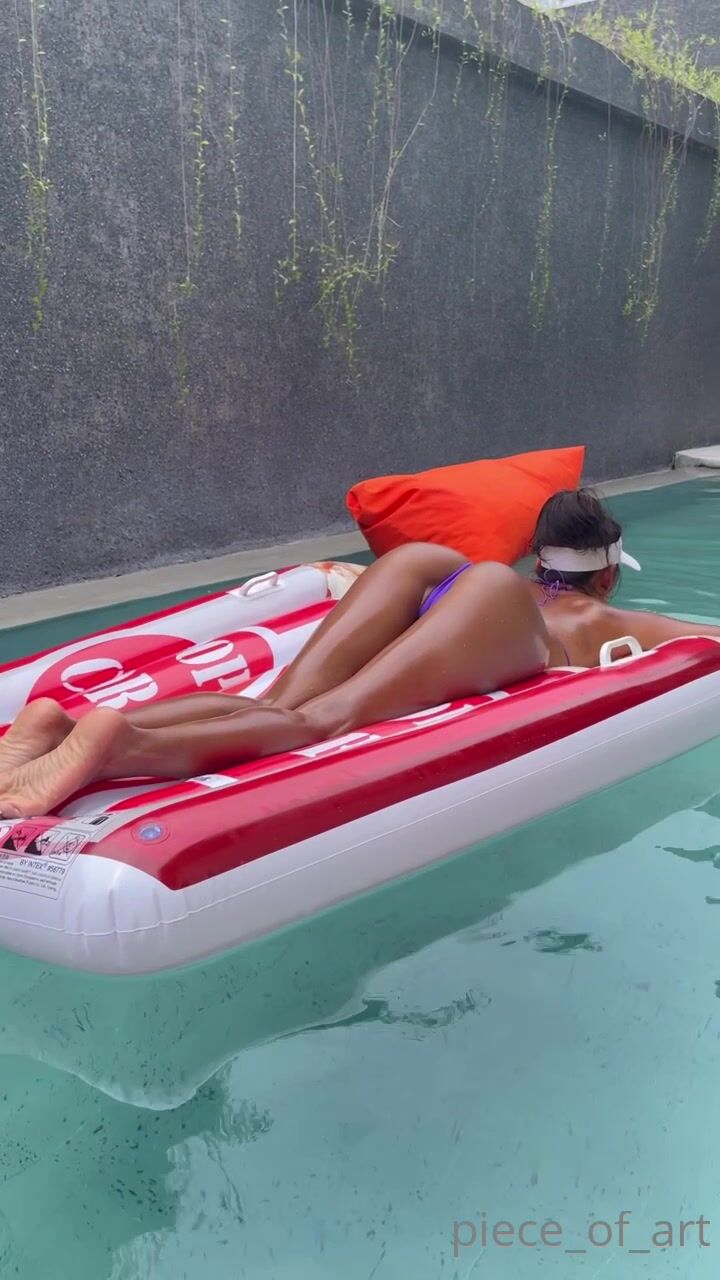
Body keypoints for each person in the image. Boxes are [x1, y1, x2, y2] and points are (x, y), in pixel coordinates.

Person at [0, 487, 718, 819]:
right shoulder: (604, 614)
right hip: (495, 611)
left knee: (274, 701)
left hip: (437, 571)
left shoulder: (516, 576)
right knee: (320, 723)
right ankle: (118, 746)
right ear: (607, 573)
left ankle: (57, 727)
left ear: (540, 556)